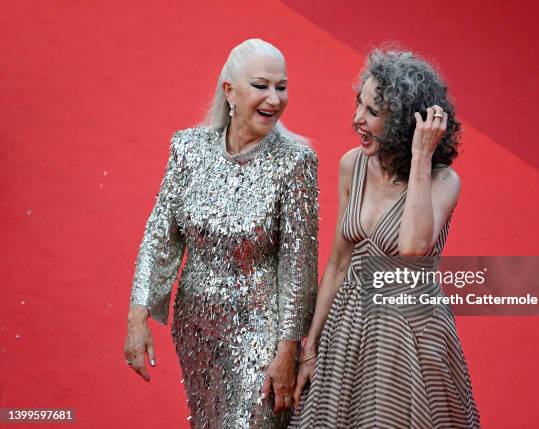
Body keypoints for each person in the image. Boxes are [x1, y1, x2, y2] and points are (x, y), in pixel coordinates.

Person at [123, 39, 319, 428]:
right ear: (230, 90)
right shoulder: (189, 149)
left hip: (263, 330)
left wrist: (287, 349)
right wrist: (138, 314)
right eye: (261, 85)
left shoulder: (296, 160)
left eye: (281, 87)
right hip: (197, 325)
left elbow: (299, 266)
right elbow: (162, 235)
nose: (274, 99)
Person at [290, 47, 481, 428]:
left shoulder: (443, 181)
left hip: (408, 335)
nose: (356, 120)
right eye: (358, 104)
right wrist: (310, 346)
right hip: (348, 328)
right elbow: (339, 261)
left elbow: (412, 246)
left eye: (373, 113)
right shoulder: (352, 165)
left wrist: (422, 157)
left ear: (406, 125)